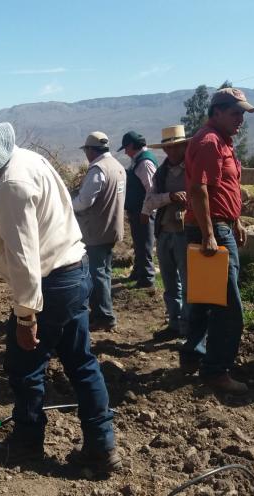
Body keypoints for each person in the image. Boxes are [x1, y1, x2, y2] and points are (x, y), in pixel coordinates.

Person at [0, 118, 120, 473]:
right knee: (81, 363)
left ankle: (26, 442)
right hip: (75, 269)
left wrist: (26, 317)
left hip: (50, 283)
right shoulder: (29, 159)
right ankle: (102, 446)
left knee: (24, 368)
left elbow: (25, 258)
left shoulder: (9, 186)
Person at [182, 87, 254, 394]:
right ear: (217, 112)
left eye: (242, 113)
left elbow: (223, 187)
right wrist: (211, 233)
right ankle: (215, 370)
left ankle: (193, 357)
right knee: (228, 307)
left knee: (204, 299)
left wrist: (235, 219)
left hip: (220, 225)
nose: (240, 119)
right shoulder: (210, 141)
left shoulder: (223, 142)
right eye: (235, 113)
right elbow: (199, 190)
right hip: (209, 230)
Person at [72, 131, 126, 332]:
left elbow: (85, 201)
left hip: (96, 231)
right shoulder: (118, 167)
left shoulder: (98, 169)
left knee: (97, 274)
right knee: (104, 272)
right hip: (111, 229)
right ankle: (103, 312)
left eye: (86, 150)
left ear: (91, 150)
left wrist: (67, 205)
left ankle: (104, 316)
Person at [142, 125, 191, 339]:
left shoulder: (193, 169)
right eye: (168, 148)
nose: (171, 152)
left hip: (186, 233)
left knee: (189, 284)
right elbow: (150, 200)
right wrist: (170, 197)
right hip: (164, 232)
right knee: (170, 283)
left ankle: (190, 327)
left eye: (176, 147)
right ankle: (174, 324)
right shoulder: (161, 173)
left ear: (184, 146)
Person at [119, 131, 158, 288]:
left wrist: (146, 212)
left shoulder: (144, 163)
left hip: (144, 213)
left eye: (125, 148)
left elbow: (151, 190)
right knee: (139, 244)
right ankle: (138, 272)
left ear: (131, 146)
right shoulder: (138, 160)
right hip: (137, 211)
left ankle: (147, 278)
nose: (125, 152)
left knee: (145, 245)